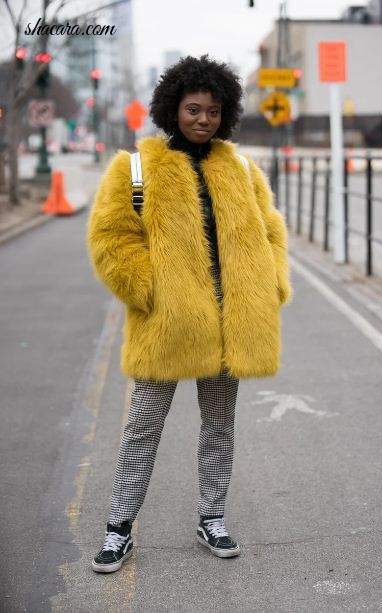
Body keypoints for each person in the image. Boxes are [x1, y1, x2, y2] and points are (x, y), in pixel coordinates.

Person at [87, 55, 291, 573]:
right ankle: (118, 527)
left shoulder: (241, 169)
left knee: (220, 425)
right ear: (172, 109)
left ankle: (212, 516)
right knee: (142, 425)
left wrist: (272, 287)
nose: (204, 119)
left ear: (226, 113)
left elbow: (270, 231)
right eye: (194, 109)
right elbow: (111, 237)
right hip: (168, 321)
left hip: (231, 318)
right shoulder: (135, 167)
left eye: (214, 111)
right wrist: (150, 291)